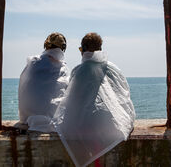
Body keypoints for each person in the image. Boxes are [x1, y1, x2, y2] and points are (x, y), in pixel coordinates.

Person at [52, 33, 135, 167]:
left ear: (84, 49)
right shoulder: (114, 69)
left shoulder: (78, 71)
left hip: (86, 128)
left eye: (80, 50)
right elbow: (124, 97)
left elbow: (71, 104)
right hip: (112, 127)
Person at [18, 32, 70, 132]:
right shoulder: (62, 68)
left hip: (25, 117)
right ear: (63, 48)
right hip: (49, 119)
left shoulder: (32, 62)